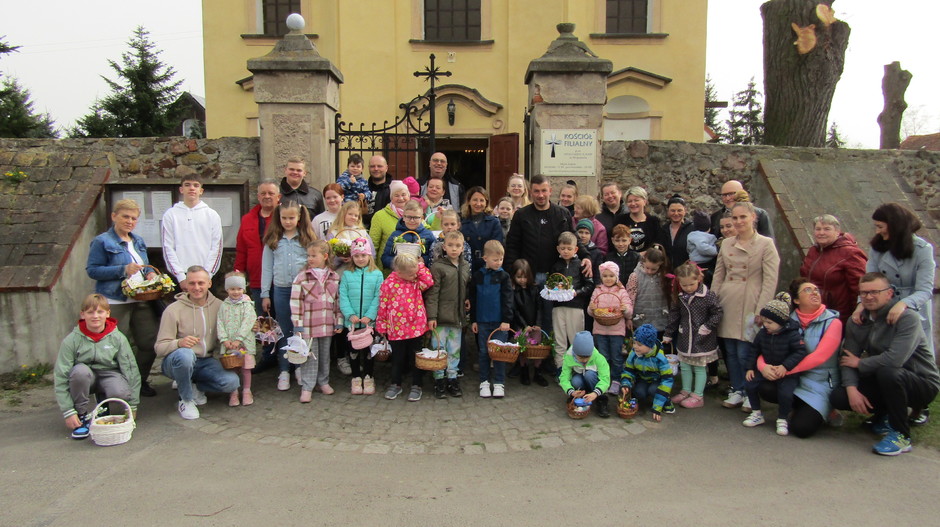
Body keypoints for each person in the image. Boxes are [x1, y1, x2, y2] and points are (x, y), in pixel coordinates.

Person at [831, 272, 940, 455]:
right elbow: (847, 358)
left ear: (889, 293)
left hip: (921, 382)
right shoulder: (857, 321)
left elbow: (895, 359)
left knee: (888, 372)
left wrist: (860, 363)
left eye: (875, 292)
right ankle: (884, 416)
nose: (868, 297)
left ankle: (901, 436)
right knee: (839, 397)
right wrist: (851, 389)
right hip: (886, 378)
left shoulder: (907, 318)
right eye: (864, 293)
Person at [86, 198, 159, 397]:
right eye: (125, 217)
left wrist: (149, 274)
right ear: (114, 216)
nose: (129, 221)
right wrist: (122, 269)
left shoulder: (138, 241)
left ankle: (139, 381)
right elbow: (93, 270)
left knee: (149, 342)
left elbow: (144, 266)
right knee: (114, 347)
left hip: (140, 299)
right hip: (115, 301)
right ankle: (112, 387)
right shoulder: (102, 241)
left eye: (133, 218)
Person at [754, 278, 843, 439]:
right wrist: (763, 367)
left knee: (801, 429)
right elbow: (763, 345)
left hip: (819, 382)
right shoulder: (784, 320)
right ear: (796, 300)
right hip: (792, 379)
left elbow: (819, 357)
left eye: (816, 289)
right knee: (765, 387)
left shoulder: (833, 323)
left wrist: (785, 369)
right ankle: (798, 407)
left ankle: (823, 410)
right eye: (807, 290)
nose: (814, 292)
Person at [712, 201, 780, 410]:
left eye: (743, 217)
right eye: (735, 217)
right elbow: (719, 274)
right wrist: (712, 301)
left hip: (751, 300)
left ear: (753, 217)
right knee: (731, 351)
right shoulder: (726, 244)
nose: (739, 221)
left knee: (746, 351)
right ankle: (737, 388)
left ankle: (752, 392)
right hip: (728, 299)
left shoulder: (765, 244)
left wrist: (762, 309)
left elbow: (770, 279)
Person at [505, 175, 591, 329]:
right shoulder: (521, 215)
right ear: (530, 192)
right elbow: (512, 245)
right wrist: (511, 273)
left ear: (550, 191)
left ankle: (550, 344)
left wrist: (586, 256)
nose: (540, 195)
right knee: (530, 317)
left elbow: (573, 238)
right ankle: (533, 344)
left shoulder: (562, 213)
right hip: (529, 275)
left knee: (552, 318)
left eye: (544, 190)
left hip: (555, 275)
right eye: (536, 191)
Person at [156, 266, 239, 420]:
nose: (196, 287)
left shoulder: (220, 306)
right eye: (192, 283)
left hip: (205, 361)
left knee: (232, 382)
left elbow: (231, 331)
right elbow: (159, 348)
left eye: (201, 283)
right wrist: (179, 343)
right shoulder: (173, 310)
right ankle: (186, 399)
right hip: (177, 361)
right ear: (185, 285)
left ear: (209, 283)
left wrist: (251, 327)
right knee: (185, 355)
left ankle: (193, 385)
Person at [54, 294, 140, 440]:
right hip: (85, 377)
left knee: (120, 392)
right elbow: (61, 375)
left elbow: (131, 369)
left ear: (108, 313)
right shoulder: (71, 340)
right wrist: (68, 411)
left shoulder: (118, 338)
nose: (95, 316)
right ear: (82, 315)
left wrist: (132, 405)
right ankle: (81, 415)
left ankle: (102, 403)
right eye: (90, 312)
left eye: (100, 312)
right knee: (79, 372)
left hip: (109, 374)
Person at [856, 203, 935, 358]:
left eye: (880, 227)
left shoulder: (923, 249)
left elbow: (925, 290)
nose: (877, 231)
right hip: (884, 308)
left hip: (914, 310)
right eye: (876, 227)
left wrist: (903, 304)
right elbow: (868, 281)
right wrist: (861, 304)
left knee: (917, 360)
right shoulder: (877, 248)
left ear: (894, 225)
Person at [260, 200, 317, 392]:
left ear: (299, 217)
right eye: (284, 218)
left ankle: (299, 366)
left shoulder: (307, 238)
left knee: (299, 329)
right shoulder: (274, 239)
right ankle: (284, 370)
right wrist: (265, 294)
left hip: (302, 291)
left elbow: (313, 264)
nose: (287, 221)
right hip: (281, 290)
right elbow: (267, 267)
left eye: (291, 218)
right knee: (284, 329)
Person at [741, 292, 809, 435]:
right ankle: (756, 412)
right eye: (764, 321)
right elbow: (755, 350)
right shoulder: (763, 333)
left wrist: (785, 366)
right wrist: (750, 368)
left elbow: (800, 351)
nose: (765, 325)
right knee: (750, 384)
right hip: (766, 368)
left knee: (785, 394)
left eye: (769, 322)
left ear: (781, 321)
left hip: (786, 372)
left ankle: (782, 418)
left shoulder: (792, 334)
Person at [663, 262, 721, 410]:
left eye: (691, 284)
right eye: (684, 285)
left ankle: (698, 395)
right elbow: (674, 315)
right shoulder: (680, 296)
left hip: (702, 338)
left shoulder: (708, 295)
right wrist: (668, 333)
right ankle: (686, 390)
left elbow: (717, 313)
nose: (688, 288)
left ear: (698, 280)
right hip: (685, 336)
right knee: (685, 365)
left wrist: (707, 327)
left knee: (699, 367)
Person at [290, 240, 343, 403]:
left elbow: (337, 301)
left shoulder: (334, 277)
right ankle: (307, 386)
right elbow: (296, 302)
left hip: (327, 325)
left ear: (325, 256)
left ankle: (323, 381)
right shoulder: (302, 277)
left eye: (314, 256)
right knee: (309, 357)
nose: (310, 259)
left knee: (325, 356)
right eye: (308, 256)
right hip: (308, 326)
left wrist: (338, 320)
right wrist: (298, 324)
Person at [377, 253, 434, 402]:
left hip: (416, 326)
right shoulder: (388, 284)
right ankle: (395, 383)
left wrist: (420, 266)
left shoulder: (416, 281)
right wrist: (382, 325)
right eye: (410, 274)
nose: (414, 276)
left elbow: (429, 281)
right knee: (398, 359)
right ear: (399, 272)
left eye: (415, 273)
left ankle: (417, 384)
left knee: (416, 357)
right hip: (396, 329)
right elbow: (383, 305)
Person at [798, 214, 867, 327]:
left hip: (836, 315)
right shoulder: (814, 251)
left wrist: (858, 310)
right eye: (818, 229)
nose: (821, 233)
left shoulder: (850, 253)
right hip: (811, 311)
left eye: (827, 229)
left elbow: (860, 286)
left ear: (837, 232)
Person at [425, 230, 471, 399]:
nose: (454, 249)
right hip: (441, 317)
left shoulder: (465, 266)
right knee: (439, 350)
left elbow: (466, 286)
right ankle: (439, 380)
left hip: (457, 317)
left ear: (462, 248)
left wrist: (467, 298)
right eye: (450, 245)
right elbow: (432, 294)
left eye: (457, 246)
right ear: (444, 247)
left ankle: (452, 378)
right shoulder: (438, 267)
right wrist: (432, 317)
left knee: (454, 350)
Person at [470, 240, 515, 398]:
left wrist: (506, 319)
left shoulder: (504, 277)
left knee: (499, 354)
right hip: (482, 321)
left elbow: (508, 299)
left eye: (501, 259)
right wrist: (473, 320)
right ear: (485, 258)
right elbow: (473, 299)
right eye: (495, 259)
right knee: (483, 352)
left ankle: (499, 382)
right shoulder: (478, 276)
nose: (498, 262)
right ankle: (484, 381)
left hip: (499, 323)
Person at [161, 174, 223, 287]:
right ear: (181, 189)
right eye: (187, 185)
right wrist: (180, 276)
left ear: (201, 191)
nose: (192, 188)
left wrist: (207, 275)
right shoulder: (170, 214)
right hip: (181, 276)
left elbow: (216, 247)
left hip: (204, 275)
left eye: (196, 185)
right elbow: (168, 247)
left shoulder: (212, 215)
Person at [338, 238, 383, 395]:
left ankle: (369, 377)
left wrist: (370, 315)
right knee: (353, 352)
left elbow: (379, 296)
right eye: (356, 256)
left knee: (369, 352)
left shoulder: (377, 274)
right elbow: (343, 296)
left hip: (369, 323)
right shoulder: (347, 275)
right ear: (352, 257)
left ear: (369, 256)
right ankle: (356, 377)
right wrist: (350, 314)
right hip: (352, 323)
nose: (360, 259)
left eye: (363, 255)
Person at [549, 232, 595, 369]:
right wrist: (552, 291)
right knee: (559, 340)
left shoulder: (581, 264)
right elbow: (551, 283)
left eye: (569, 249)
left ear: (576, 249)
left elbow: (589, 285)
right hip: (558, 307)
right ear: (558, 249)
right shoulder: (555, 266)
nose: (566, 251)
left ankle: (578, 369)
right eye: (563, 248)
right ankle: (561, 368)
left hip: (576, 307)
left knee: (576, 339)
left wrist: (577, 293)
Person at [235, 180, 280, 309]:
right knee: (262, 318)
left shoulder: (285, 218)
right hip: (257, 279)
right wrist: (238, 275)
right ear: (258, 196)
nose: (267, 196)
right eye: (263, 193)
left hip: (281, 282)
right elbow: (241, 250)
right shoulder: (247, 219)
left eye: (271, 193)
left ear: (278, 197)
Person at [588, 261, 631, 394]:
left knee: (616, 357)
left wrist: (625, 309)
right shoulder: (597, 290)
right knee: (603, 357)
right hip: (600, 329)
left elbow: (629, 312)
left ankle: (616, 380)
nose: (608, 279)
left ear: (616, 276)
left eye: (611, 276)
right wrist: (591, 308)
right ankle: (604, 380)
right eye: (605, 276)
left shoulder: (621, 291)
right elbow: (591, 312)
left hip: (617, 330)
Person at [216, 271, 256, 407]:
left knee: (246, 368)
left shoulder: (247, 305)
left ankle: (246, 390)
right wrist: (224, 339)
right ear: (227, 289)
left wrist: (239, 339)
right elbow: (220, 322)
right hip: (229, 344)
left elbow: (248, 322)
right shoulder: (224, 305)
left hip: (244, 343)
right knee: (232, 367)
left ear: (243, 289)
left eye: (239, 289)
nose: (236, 292)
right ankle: (233, 392)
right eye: (232, 289)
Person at [620, 324, 675, 421]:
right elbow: (628, 370)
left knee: (653, 390)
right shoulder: (633, 354)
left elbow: (667, 380)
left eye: (639, 345)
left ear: (650, 345)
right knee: (639, 392)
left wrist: (657, 408)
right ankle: (647, 398)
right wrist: (625, 383)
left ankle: (666, 401)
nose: (635, 347)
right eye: (634, 343)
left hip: (658, 381)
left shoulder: (660, 358)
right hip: (643, 379)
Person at [511, 259, 548, 387]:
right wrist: (523, 325)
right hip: (521, 325)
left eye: (525, 277)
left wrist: (538, 323)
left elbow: (539, 307)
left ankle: (538, 371)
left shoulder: (534, 288)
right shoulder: (513, 291)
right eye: (519, 277)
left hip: (534, 324)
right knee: (524, 347)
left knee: (537, 347)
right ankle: (524, 369)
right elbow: (515, 310)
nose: (522, 280)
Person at [559, 331, 612, 418]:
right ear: (575, 353)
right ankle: (580, 396)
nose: (584, 360)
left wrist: (595, 393)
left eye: (587, 357)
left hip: (594, 381)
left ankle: (601, 399)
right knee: (575, 381)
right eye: (580, 357)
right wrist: (571, 392)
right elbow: (564, 377)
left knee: (589, 375)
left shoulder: (598, 357)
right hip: (580, 378)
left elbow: (605, 379)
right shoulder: (569, 357)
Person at [626, 244, 672, 336]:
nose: (649, 271)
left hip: (661, 320)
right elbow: (630, 298)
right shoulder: (635, 276)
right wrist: (628, 318)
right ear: (643, 261)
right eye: (647, 268)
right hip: (640, 321)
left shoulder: (665, 276)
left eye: (653, 269)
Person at [460, 186, 505, 274]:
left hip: (487, 267)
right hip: (467, 267)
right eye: (475, 200)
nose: (478, 203)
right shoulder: (461, 221)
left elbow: (497, 246)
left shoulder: (494, 222)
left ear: (486, 203)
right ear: (469, 201)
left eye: (481, 200)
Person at [381, 199, 437, 269]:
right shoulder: (396, 235)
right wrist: (398, 262)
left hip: (422, 272)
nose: (412, 221)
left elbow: (435, 255)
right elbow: (385, 258)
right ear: (403, 217)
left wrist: (424, 260)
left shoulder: (428, 235)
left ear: (421, 218)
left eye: (416, 217)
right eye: (408, 217)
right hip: (401, 272)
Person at [369, 179, 410, 273]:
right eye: (396, 195)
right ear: (391, 198)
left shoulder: (414, 214)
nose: (401, 198)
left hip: (411, 272)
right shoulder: (380, 216)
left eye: (404, 195)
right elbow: (373, 245)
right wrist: (373, 270)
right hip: (387, 271)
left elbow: (426, 232)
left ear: (409, 196)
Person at [615, 186, 661, 253]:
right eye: (630, 201)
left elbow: (657, 244)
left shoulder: (653, 221)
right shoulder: (620, 220)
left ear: (644, 201)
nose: (633, 204)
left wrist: (644, 255)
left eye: (636, 200)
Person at [659, 194, 693, 268]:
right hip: (667, 271)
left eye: (679, 210)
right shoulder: (663, 230)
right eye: (673, 211)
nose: (676, 213)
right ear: (668, 211)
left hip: (686, 272)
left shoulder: (692, 229)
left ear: (685, 210)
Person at [686, 210, 718, 282]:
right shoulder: (698, 236)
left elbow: (688, 249)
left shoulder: (692, 235)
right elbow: (703, 248)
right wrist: (716, 251)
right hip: (701, 264)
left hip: (697, 262)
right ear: (709, 227)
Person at [365, 155, 392, 227]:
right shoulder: (362, 188)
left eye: (379, 166)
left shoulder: (394, 189)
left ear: (386, 168)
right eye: (372, 166)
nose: (376, 169)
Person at [576, 219, 603, 287]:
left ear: (591, 235)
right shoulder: (571, 249)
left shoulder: (597, 252)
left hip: (589, 286)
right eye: (580, 232)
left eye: (587, 233)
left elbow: (597, 273)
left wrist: (597, 285)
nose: (583, 235)